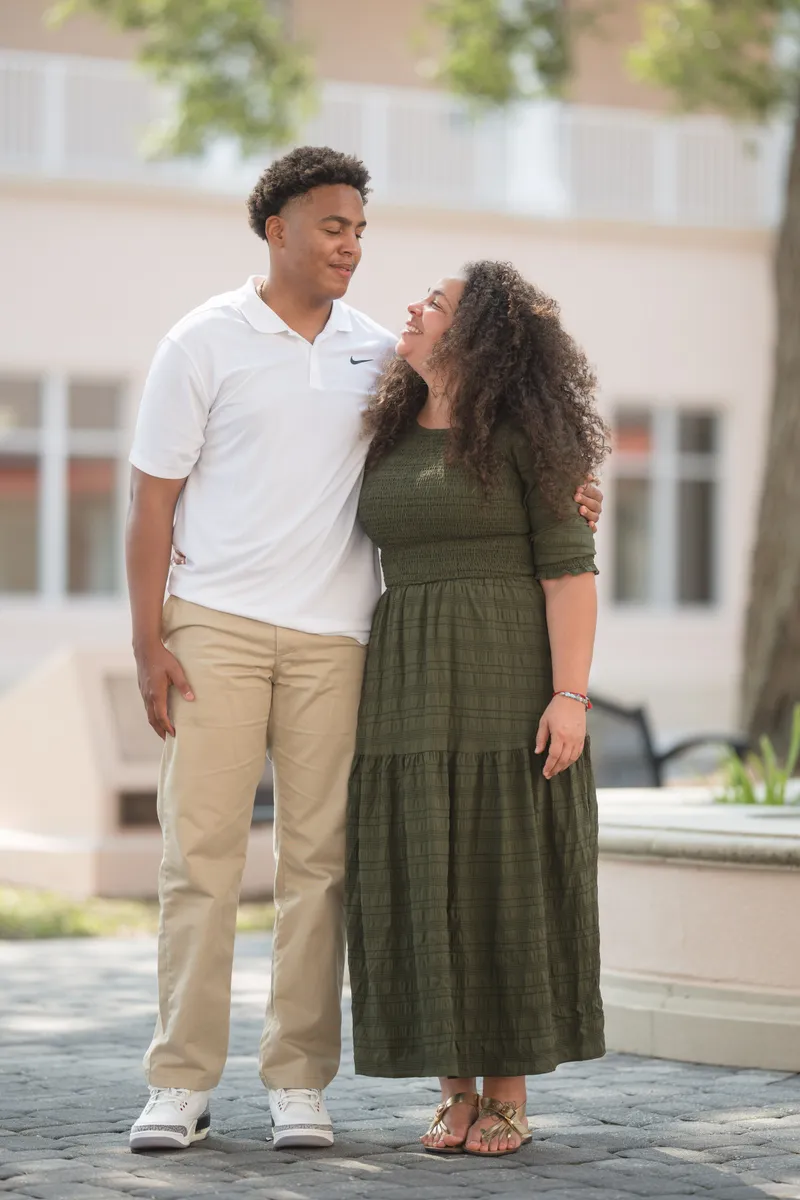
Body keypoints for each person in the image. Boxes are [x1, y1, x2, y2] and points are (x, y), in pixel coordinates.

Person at [125, 145, 604, 1153]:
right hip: (216, 621)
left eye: (359, 229)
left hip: (341, 638)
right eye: (332, 225)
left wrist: (571, 498)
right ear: (278, 229)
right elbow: (152, 499)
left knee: (322, 868)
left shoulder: (378, 349)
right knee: (199, 860)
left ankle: (298, 1081)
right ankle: (179, 1082)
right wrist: (148, 642)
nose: (350, 245)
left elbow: (493, 429)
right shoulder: (203, 339)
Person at [346, 261, 608, 1158]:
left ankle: (507, 1091)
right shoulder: (382, 427)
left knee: (505, 873)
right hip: (406, 680)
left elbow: (572, 570)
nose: (414, 308)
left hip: (508, 673)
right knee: (424, 868)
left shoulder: (533, 434)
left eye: (438, 303)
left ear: (480, 334)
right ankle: (451, 1088)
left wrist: (569, 696)